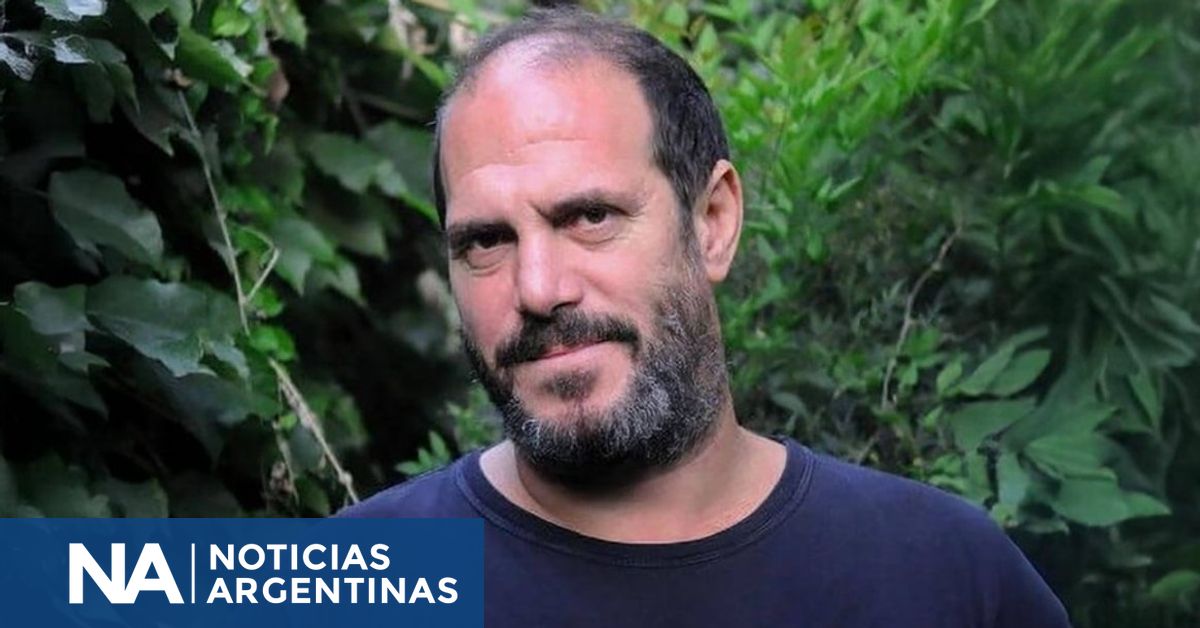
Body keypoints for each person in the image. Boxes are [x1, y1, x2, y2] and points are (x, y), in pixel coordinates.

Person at [339, 7, 1071, 627]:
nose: (538, 288)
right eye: (486, 241)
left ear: (713, 222)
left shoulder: (942, 574)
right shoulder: (362, 583)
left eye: (590, 216)